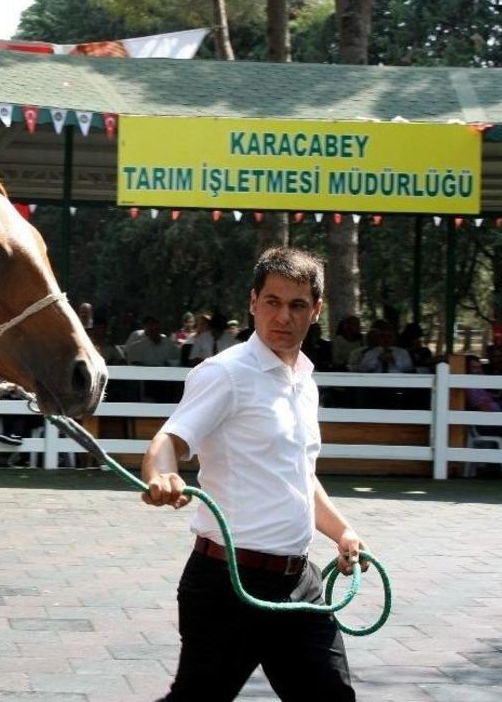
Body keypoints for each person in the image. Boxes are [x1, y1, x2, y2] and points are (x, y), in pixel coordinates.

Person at [142, 247, 365, 701]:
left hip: (300, 584)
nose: (283, 316)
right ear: (253, 302)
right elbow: (170, 440)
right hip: (227, 585)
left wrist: (342, 533)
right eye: (272, 302)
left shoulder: (304, 379)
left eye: (297, 305)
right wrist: (162, 475)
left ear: (316, 310)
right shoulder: (225, 374)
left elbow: (299, 476)